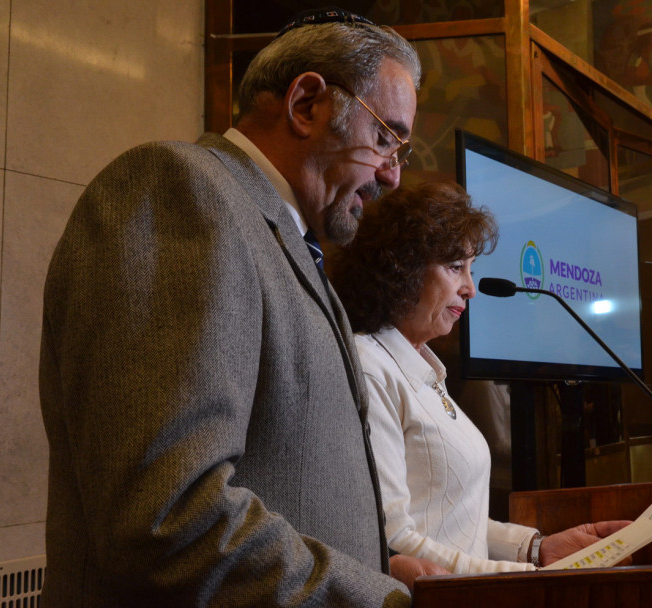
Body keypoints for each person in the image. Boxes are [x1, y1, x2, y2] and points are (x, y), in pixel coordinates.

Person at [38, 8, 442, 606]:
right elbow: (168, 514)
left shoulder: (290, 246)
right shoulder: (179, 190)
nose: (393, 176)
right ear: (307, 104)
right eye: (387, 138)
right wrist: (377, 600)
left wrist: (383, 567)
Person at [329, 181, 630, 574]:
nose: (470, 288)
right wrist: (530, 577)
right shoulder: (371, 367)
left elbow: (452, 521)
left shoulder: (426, 371)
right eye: (456, 268)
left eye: (471, 270)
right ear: (401, 267)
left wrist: (536, 549)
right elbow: (393, 539)